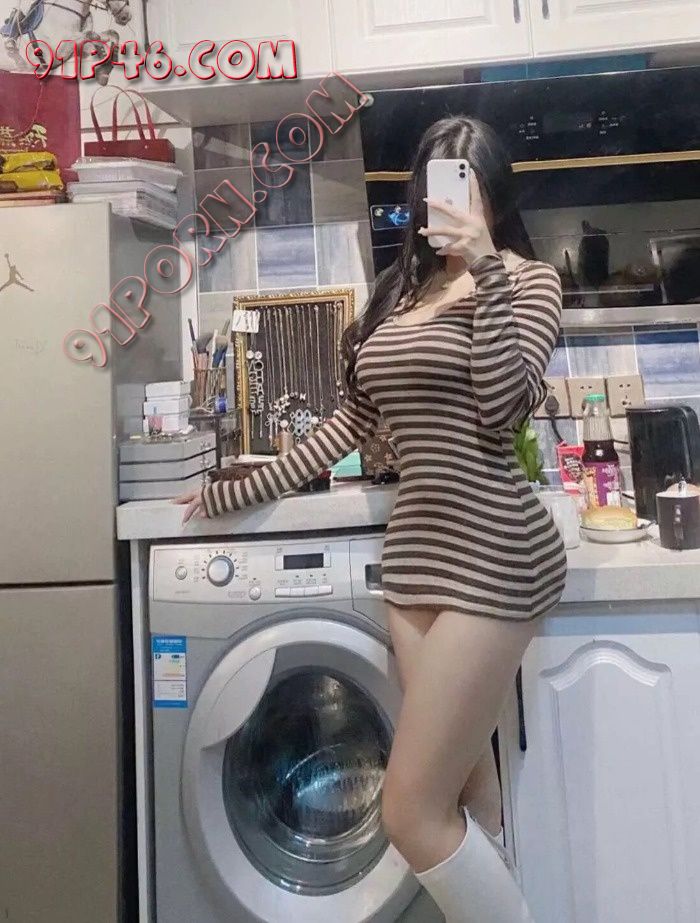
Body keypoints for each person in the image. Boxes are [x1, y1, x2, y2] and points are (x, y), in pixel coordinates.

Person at [175, 116, 567, 922]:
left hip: (497, 557)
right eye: (436, 187)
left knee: (408, 811)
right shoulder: (401, 295)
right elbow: (343, 426)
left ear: (494, 197)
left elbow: (503, 405)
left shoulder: (528, 283)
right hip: (415, 562)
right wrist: (229, 490)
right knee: (465, 790)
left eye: (466, 185)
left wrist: (486, 267)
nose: (448, 203)